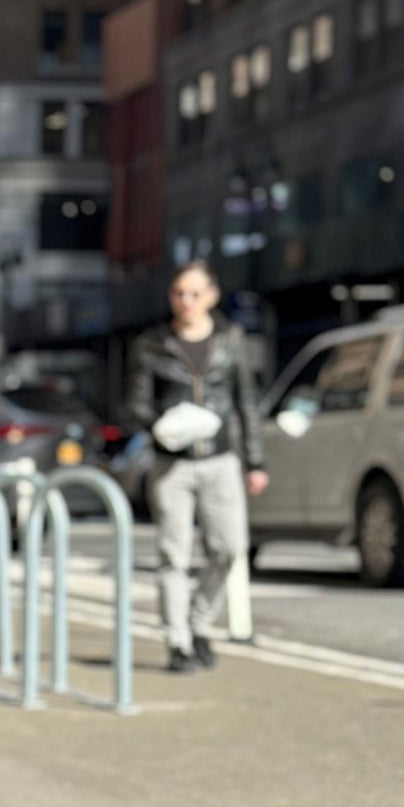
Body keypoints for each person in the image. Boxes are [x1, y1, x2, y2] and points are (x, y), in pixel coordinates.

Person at [125, 262, 267, 672]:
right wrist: (160, 427)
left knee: (229, 548)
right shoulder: (152, 345)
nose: (186, 302)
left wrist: (255, 461)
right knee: (174, 554)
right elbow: (135, 403)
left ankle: (198, 620)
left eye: (194, 293)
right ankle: (178, 643)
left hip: (220, 459)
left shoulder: (231, 342)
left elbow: (247, 405)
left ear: (212, 295)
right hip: (173, 465)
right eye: (178, 294)